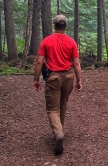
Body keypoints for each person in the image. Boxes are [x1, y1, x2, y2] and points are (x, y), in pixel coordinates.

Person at [33, 15, 82, 155]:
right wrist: (79, 81)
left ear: (54, 25)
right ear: (65, 26)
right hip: (68, 76)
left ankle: (58, 134)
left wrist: (36, 79)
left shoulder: (46, 41)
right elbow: (76, 63)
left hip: (53, 77)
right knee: (62, 104)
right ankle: (59, 131)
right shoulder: (71, 42)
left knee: (52, 109)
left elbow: (39, 62)